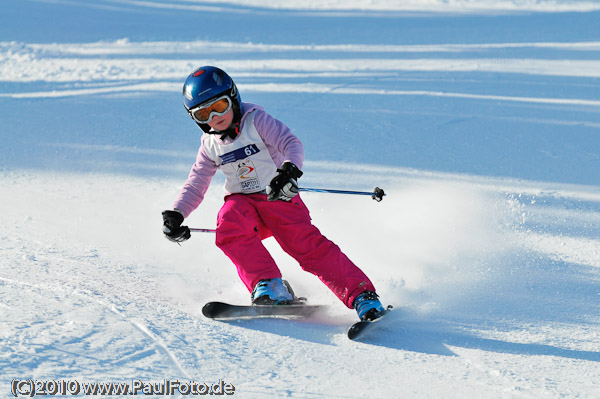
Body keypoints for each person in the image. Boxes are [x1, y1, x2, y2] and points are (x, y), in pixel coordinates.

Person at [162, 66, 385, 321]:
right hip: (244, 205)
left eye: (220, 106)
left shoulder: (256, 121)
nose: (215, 117)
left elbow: (291, 143)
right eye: (204, 113)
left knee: (306, 247)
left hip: (278, 196)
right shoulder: (210, 145)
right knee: (229, 224)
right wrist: (177, 213)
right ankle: (270, 286)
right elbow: (196, 182)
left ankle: (363, 296)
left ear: (233, 97)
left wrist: (289, 172)